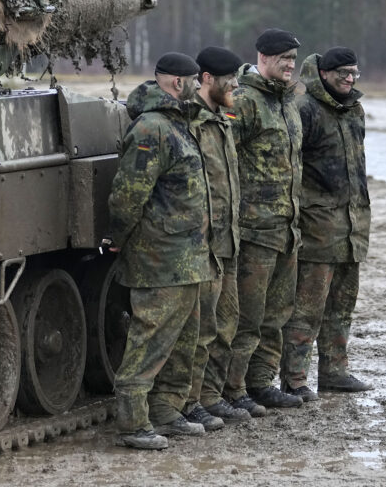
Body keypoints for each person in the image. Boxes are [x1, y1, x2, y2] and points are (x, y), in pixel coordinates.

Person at [107, 52, 217, 450]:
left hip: (188, 257)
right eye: (193, 81)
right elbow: (127, 196)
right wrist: (119, 236)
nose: (200, 88)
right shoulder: (152, 128)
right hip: (159, 257)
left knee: (184, 340)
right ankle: (133, 422)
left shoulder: (179, 124)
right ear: (176, 83)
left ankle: (167, 410)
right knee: (149, 339)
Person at [279, 47, 372, 402]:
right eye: (342, 73)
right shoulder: (304, 108)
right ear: (323, 74)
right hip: (317, 228)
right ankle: (295, 379)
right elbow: (290, 167)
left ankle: (335, 372)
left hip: (353, 227)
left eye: (354, 73)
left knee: (342, 307)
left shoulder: (355, 110)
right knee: (307, 310)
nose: (348, 79)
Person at [225, 28, 304, 412]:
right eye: (282, 58)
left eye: (293, 58)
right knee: (247, 317)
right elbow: (223, 161)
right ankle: (233, 388)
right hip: (254, 230)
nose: (289, 65)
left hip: (286, 229)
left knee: (277, 315)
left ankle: (261, 382)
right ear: (262, 57)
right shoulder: (245, 101)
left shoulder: (287, 103)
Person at [180, 46, 252, 430]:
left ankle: (211, 396)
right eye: (230, 80)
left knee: (226, 324)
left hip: (228, 241)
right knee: (201, 329)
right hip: (202, 245)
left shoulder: (222, 120)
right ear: (207, 79)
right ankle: (189, 402)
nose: (237, 86)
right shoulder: (190, 122)